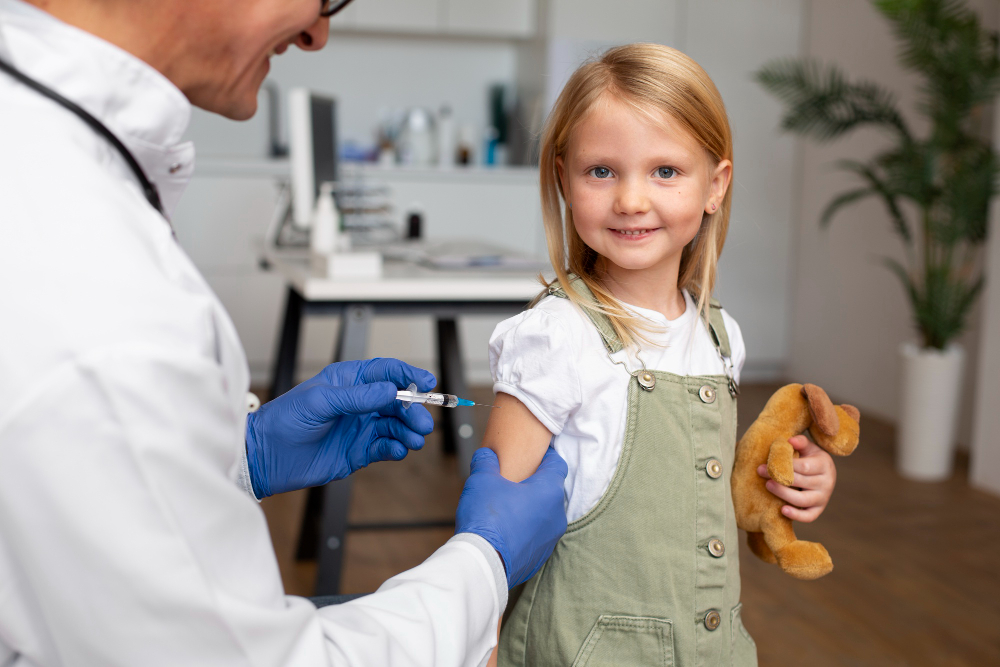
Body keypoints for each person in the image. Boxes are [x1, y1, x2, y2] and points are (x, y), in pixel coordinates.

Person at [0, 0, 568, 665]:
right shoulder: (93, 293)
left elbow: (79, 489)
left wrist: (243, 454)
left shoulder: (41, 141)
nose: (317, 32)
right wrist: (485, 563)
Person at [483, 43, 841, 666]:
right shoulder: (555, 337)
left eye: (665, 172)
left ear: (715, 185)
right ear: (563, 177)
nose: (630, 199)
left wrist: (798, 485)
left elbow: (698, 498)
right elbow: (491, 528)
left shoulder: (719, 336)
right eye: (601, 171)